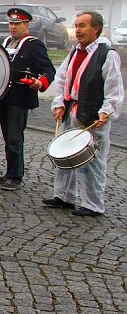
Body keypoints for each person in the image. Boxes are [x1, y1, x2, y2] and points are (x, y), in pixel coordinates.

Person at [43, 11, 123, 216]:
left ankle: (93, 204)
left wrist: (106, 111)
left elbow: (114, 89)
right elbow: (62, 81)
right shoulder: (74, 53)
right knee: (65, 154)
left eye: (82, 26)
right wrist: (59, 102)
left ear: (96, 29)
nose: (77, 30)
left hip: (92, 114)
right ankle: (64, 196)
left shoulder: (107, 54)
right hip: (71, 110)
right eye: (76, 26)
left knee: (93, 161)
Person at [0, 8, 56, 191]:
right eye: (11, 23)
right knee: (8, 137)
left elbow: (49, 70)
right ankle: (10, 172)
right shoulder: (8, 41)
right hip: (4, 96)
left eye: (17, 24)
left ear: (27, 25)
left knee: (15, 138)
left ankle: (15, 176)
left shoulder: (33, 44)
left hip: (20, 97)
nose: (13, 27)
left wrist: (41, 83)